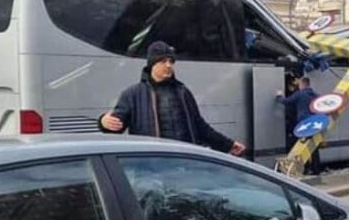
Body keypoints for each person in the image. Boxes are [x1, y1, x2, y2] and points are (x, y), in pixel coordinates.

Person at [100, 41, 246, 156]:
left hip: (184, 163)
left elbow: (200, 127)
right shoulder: (133, 94)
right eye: (163, 61)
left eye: (171, 61)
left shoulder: (183, 92)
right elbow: (114, 128)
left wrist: (228, 145)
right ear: (152, 64)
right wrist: (103, 122)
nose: (169, 65)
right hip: (150, 167)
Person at [276, 77, 321, 175]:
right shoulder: (316, 95)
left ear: (302, 84)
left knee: (299, 146)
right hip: (315, 124)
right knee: (313, 148)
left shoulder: (300, 94)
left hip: (303, 125)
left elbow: (286, 101)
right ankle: (316, 169)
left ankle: (302, 168)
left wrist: (279, 96)